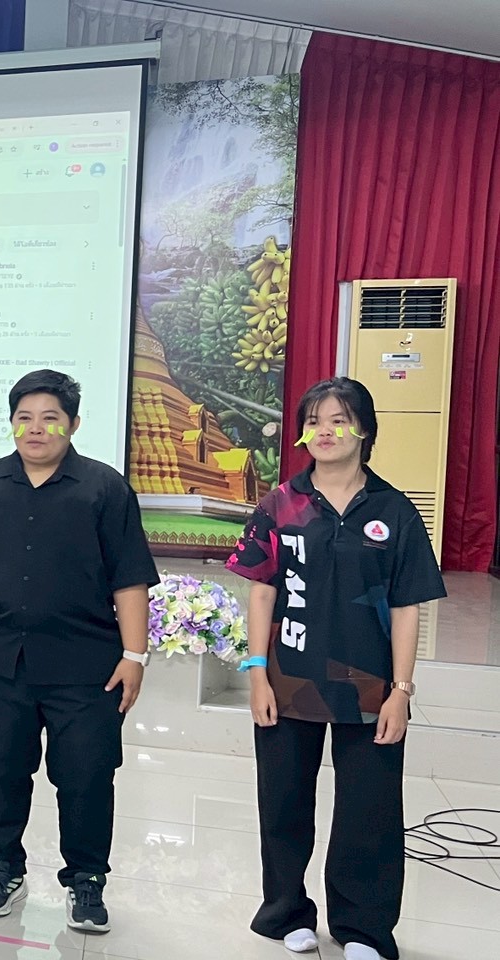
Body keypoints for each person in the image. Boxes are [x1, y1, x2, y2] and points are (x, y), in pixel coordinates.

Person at [226, 377, 445, 960]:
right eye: (314, 421)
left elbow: (407, 605)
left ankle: (363, 928)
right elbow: (261, 591)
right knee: (283, 802)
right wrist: (256, 672)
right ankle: (286, 913)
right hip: (288, 678)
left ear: (364, 430)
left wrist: (401, 690)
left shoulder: (394, 510)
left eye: (339, 419)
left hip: (370, 684)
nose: (324, 431)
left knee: (370, 810)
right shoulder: (279, 504)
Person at [0, 369, 157, 934]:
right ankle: (1, 867)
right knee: (0, 769)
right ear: (12, 424)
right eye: (24, 418)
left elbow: (129, 578)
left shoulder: (105, 489)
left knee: (86, 775)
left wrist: (135, 656)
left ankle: (87, 880)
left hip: (87, 665)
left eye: (50, 418)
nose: (36, 429)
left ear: (73, 424)